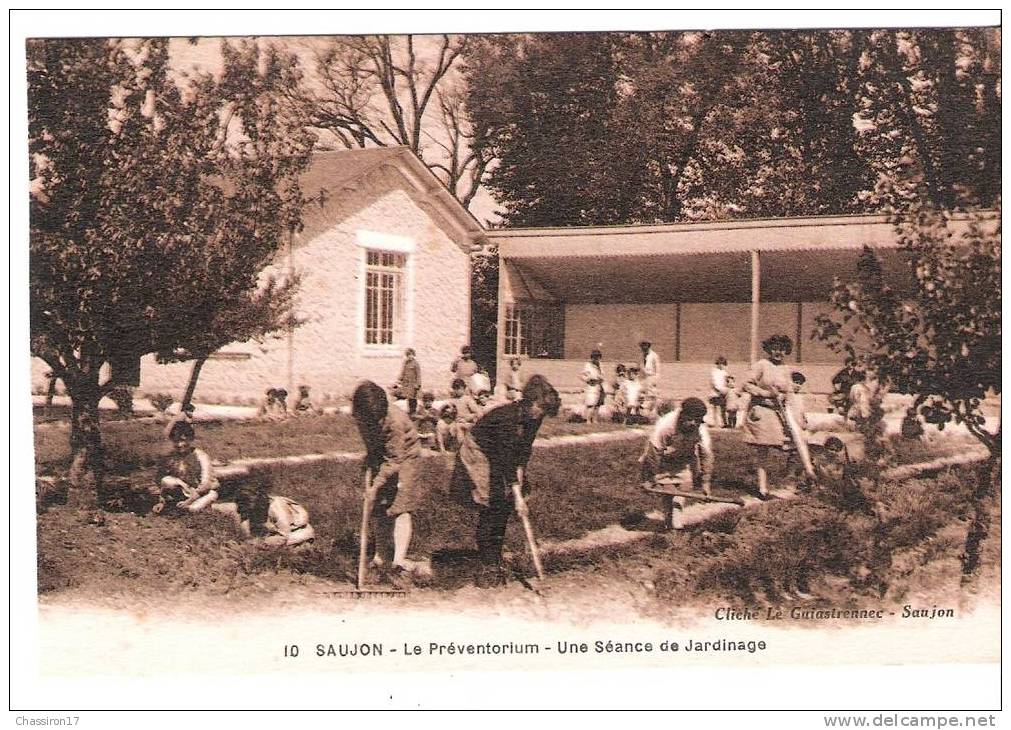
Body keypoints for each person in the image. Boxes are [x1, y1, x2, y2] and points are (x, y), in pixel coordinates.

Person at [449, 375, 561, 587]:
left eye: (545, 412)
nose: (542, 415)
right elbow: (504, 460)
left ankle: (495, 556)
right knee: (491, 502)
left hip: (501, 454)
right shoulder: (508, 419)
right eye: (541, 409)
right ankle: (487, 564)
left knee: (505, 504)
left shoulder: (534, 418)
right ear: (530, 402)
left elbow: (523, 450)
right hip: (479, 450)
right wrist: (518, 495)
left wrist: (519, 478)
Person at [351, 381, 427, 583]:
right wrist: (370, 461)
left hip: (406, 456)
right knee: (378, 507)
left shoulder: (394, 421)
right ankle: (381, 555)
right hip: (383, 454)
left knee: (399, 506)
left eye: (377, 418)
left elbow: (395, 459)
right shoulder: (362, 415)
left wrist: (376, 485)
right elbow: (372, 441)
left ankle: (398, 561)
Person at [638, 397, 715, 519]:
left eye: (697, 421)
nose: (694, 424)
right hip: (662, 461)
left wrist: (705, 482)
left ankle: (676, 525)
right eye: (690, 420)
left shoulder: (700, 430)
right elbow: (653, 454)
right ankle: (670, 525)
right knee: (668, 496)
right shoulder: (665, 426)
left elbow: (706, 456)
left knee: (682, 491)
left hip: (685, 461)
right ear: (682, 415)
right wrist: (649, 478)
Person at [741, 334, 797, 499]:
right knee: (763, 450)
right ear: (769, 349)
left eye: (781, 349)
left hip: (778, 413)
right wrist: (765, 393)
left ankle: (791, 481)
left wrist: (785, 398)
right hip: (762, 411)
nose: (778, 352)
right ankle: (762, 488)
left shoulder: (786, 369)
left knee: (791, 447)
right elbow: (745, 384)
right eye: (775, 348)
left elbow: (788, 391)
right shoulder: (761, 365)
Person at [153, 420, 219, 514]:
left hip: (204, 493)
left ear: (190, 439)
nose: (180, 445)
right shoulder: (170, 457)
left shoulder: (200, 456)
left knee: (192, 509)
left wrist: (190, 501)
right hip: (186, 491)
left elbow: (206, 484)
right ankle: (177, 504)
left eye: (183, 440)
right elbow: (161, 480)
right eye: (176, 441)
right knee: (166, 480)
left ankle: (201, 506)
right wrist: (161, 501)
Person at [580, 349, 605, 423]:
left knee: (598, 404)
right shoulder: (588, 365)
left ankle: (595, 420)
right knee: (591, 404)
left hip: (599, 386)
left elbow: (603, 375)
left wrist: (600, 378)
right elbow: (582, 375)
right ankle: (588, 420)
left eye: (598, 357)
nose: (597, 359)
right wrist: (588, 379)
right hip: (591, 386)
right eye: (595, 357)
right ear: (592, 357)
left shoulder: (600, 365)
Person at [396, 348, 422, 414]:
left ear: (413, 355)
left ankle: (413, 410)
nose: (410, 356)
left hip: (413, 384)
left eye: (411, 355)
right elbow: (403, 371)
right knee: (408, 397)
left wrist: (418, 384)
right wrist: (400, 379)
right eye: (408, 355)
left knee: (413, 398)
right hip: (406, 383)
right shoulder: (405, 363)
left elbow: (418, 374)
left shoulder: (416, 363)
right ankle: (410, 410)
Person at [709, 356, 731, 428]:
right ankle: (715, 423)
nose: (722, 365)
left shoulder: (725, 373)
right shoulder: (714, 372)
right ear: (717, 364)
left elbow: (728, 382)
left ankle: (724, 422)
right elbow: (713, 383)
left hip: (723, 392)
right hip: (715, 393)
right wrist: (718, 390)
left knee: (723, 408)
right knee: (715, 408)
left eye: (723, 364)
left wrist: (728, 387)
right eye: (720, 364)